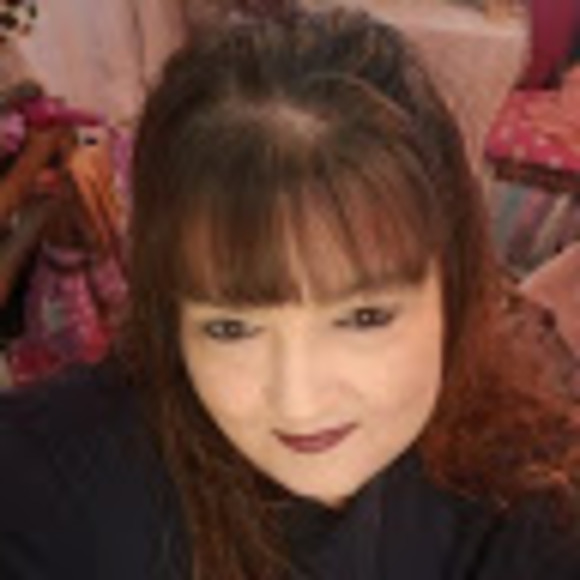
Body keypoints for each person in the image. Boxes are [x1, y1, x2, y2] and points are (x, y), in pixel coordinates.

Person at [1, 7, 580, 579]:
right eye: (232, 329)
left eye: (363, 318)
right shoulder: (46, 486)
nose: (299, 401)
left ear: (454, 284)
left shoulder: (527, 488)